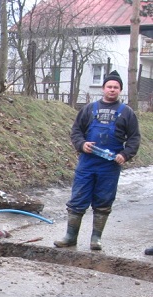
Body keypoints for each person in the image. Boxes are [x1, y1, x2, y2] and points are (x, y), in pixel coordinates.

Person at [55, 70, 140, 251]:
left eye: (116, 87)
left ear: (120, 90)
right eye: (109, 86)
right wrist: (81, 144)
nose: (112, 90)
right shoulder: (88, 109)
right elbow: (76, 131)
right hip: (87, 163)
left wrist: (125, 155)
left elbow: (134, 138)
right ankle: (70, 237)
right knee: (78, 200)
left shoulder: (127, 113)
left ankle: (96, 239)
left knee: (103, 201)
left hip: (110, 166)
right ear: (103, 89)